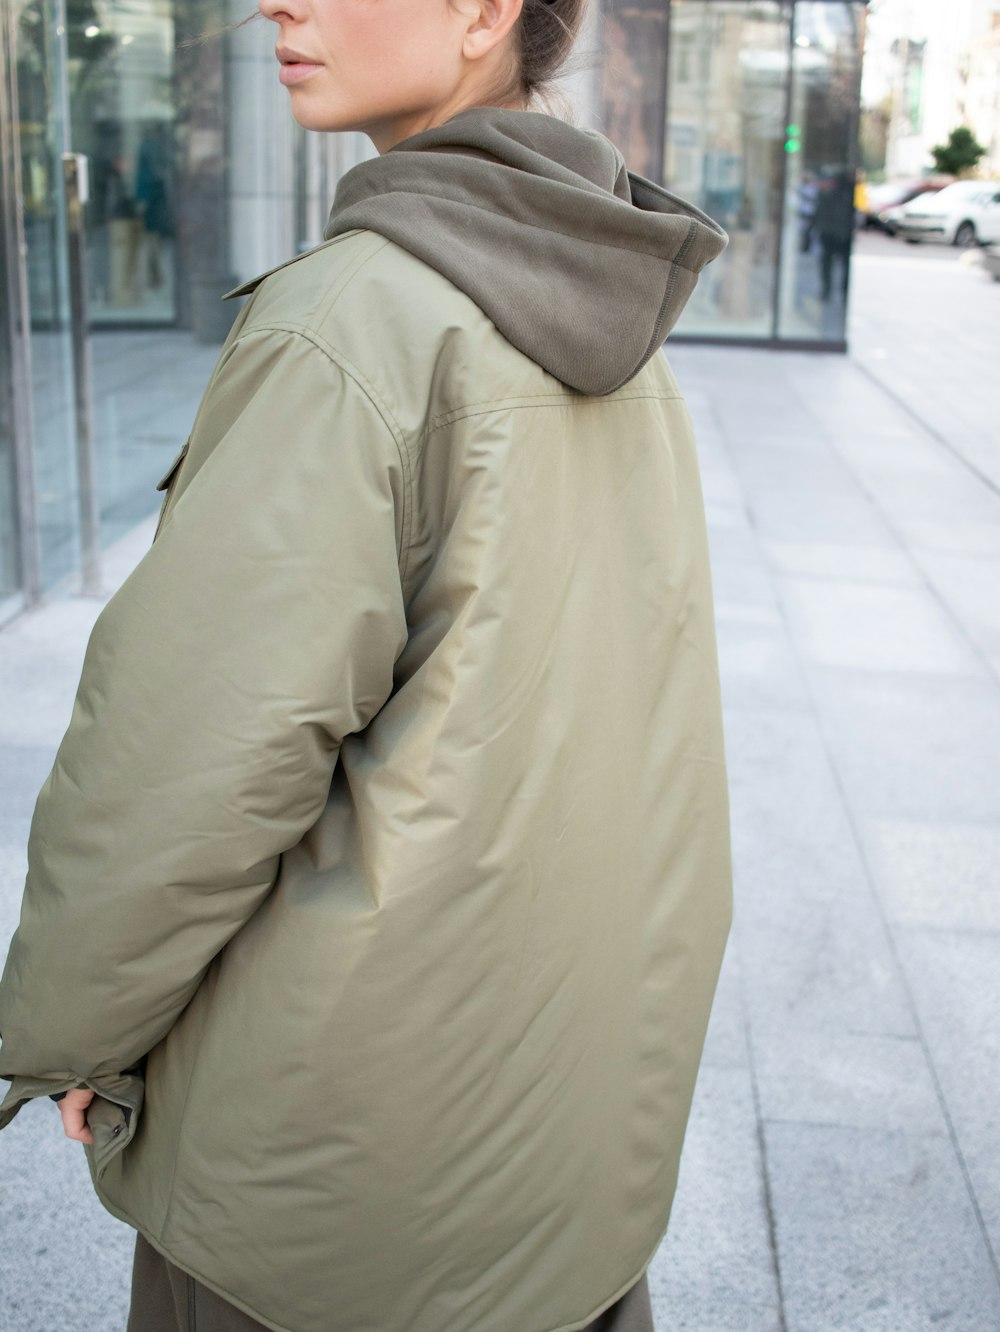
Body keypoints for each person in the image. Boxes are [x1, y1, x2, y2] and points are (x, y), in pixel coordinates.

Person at [0, 1, 732, 1329]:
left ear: (480, 13)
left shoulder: (352, 322)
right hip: (561, 1145)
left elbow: (185, 766)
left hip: (331, 1183)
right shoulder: (607, 301)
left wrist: (67, 1034)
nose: (278, 2)